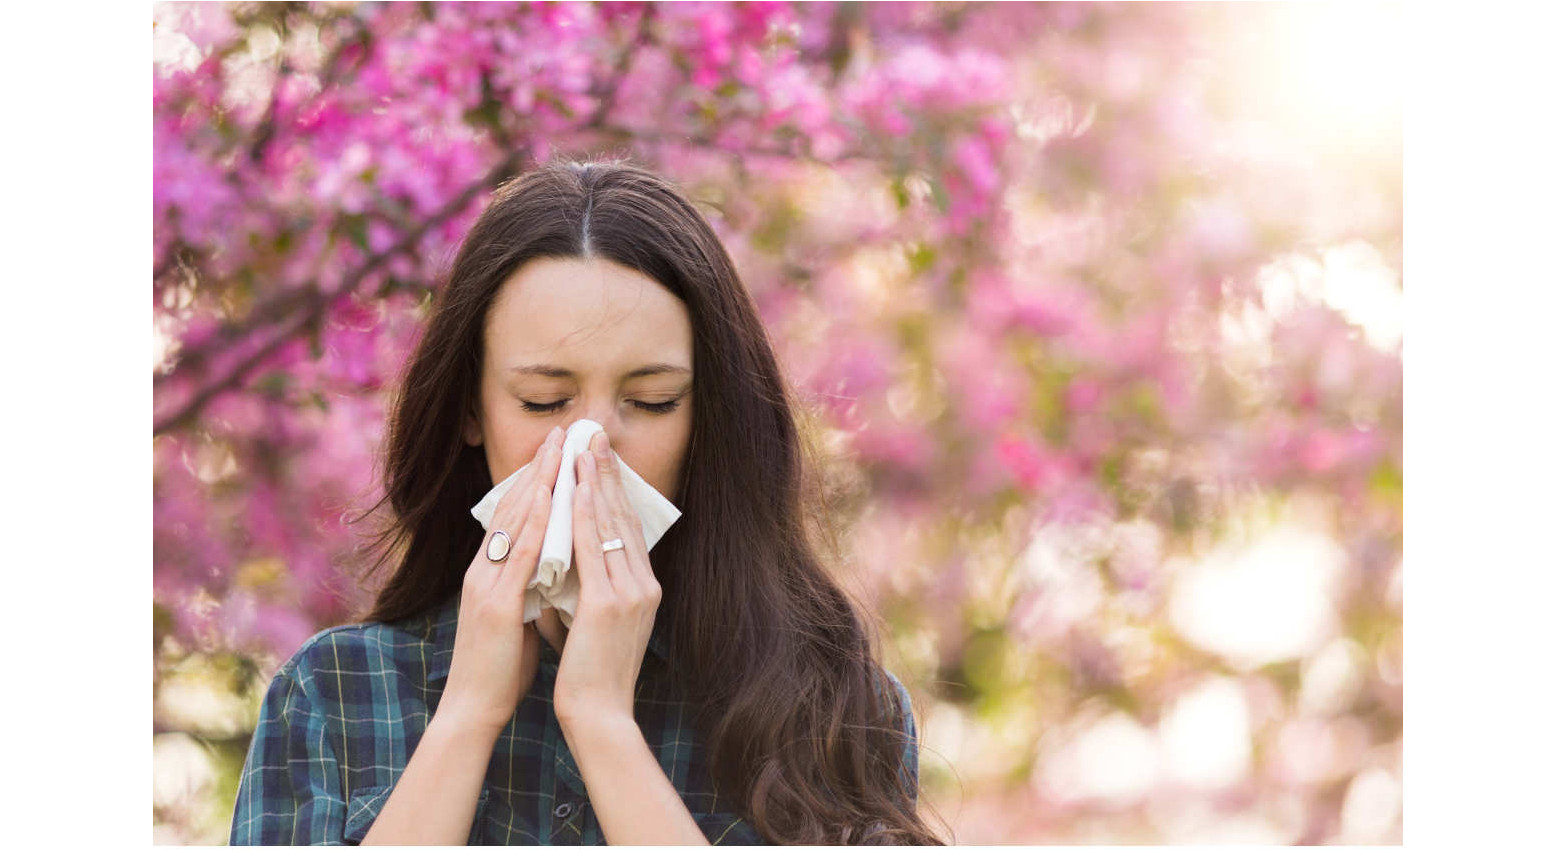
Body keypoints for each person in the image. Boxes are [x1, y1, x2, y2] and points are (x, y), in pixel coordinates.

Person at [229, 160, 938, 845]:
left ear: (707, 417)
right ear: (471, 409)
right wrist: (467, 716)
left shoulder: (833, 712)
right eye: (544, 400)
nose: (593, 446)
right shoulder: (333, 696)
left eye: (652, 402)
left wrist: (602, 725)